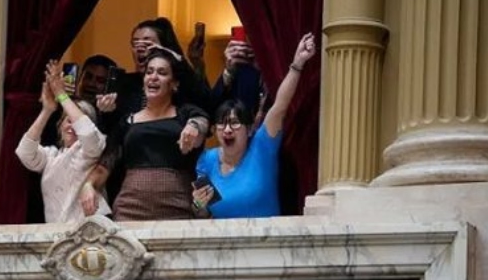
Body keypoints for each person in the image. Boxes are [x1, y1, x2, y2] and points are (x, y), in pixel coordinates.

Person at [192, 33, 317, 219]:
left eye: (235, 123)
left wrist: (297, 64)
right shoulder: (206, 161)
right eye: (222, 124)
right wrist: (198, 205)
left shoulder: (262, 146)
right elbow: (202, 213)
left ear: (249, 129)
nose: (227, 130)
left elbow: (280, 106)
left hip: (267, 236)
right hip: (224, 236)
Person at [84, 49, 209, 221]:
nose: (153, 77)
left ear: (174, 84)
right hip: (130, 207)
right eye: (149, 72)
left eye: (162, 73)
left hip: (177, 205)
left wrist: (193, 127)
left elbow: (202, 121)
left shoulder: (185, 114)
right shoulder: (127, 121)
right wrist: (89, 185)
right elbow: (105, 164)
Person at [15, 60, 110, 223]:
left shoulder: (93, 148)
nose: (72, 126)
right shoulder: (51, 156)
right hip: (57, 231)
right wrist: (47, 110)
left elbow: (87, 132)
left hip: (90, 230)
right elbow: (24, 152)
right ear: (60, 125)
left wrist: (61, 95)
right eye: (68, 121)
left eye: (76, 122)